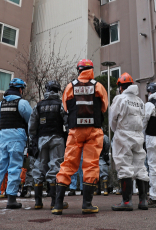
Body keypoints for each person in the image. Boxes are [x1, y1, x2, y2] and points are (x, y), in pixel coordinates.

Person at [52, 59, 109, 215]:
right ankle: (87, 204)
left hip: (75, 131)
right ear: (91, 70)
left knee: (68, 164)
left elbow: (65, 108)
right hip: (94, 130)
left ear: (79, 70)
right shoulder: (98, 86)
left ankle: (57, 204)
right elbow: (104, 107)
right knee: (91, 165)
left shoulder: (70, 87)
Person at [0, 78, 33, 210]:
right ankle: (11, 199)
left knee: (0, 166)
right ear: (20, 89)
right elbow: (30, 120)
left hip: (3, 137)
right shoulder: (22, 103)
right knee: (14, 167)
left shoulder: (0, 104)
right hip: (17, 137)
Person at [109, 73, 149, 211]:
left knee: (124, 166)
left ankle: (126, 202)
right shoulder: (139, 101)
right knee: (140, 167)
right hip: (138, 136)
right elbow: (143, 120)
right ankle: (143, 201)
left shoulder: (120, 99)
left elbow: (112, 119)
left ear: (121, 86)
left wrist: (118, 131)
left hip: (123, 135)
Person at [29, 80, 69, 210]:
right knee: (55, 167)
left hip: (41, 139)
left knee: (39, 167)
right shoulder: (61, 105)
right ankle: (54, 201)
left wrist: (33, 138)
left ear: (46, 90)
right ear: (58, 90)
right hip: (57, 139)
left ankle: (38, 202)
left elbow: (32, 125)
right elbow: (67, 123)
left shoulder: (39, 105)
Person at [99, 131, 110, 196]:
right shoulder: (103, 136)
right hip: (97, 156)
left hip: (100, 156)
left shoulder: (103, 136)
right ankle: (99, 189)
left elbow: (107, 145)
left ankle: (104, 188)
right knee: (96, 173)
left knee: (103, 171)